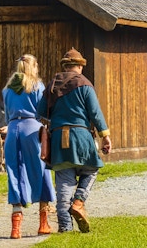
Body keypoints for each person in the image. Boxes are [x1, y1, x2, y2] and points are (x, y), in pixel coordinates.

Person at [37, 47, 112, 233]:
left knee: (64, 183)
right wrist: (105, 136)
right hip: (81, 137)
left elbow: (40, 111)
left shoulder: (52, 85)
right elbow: (94, 113)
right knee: (91, 170)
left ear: (64, 66)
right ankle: (79, 202)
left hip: (58, 140)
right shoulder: (84, 84)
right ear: (79, 66)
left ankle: (65, 226)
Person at [2, 54, 56, 239]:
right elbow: (42, 111)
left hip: (12, 130)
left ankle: (15, 229)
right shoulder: (36, 86)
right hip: (32, 128)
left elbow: (7, 111)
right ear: (32, 67)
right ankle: (43, 223)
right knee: (40, 170)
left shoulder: (7, 89)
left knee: (14, 173)